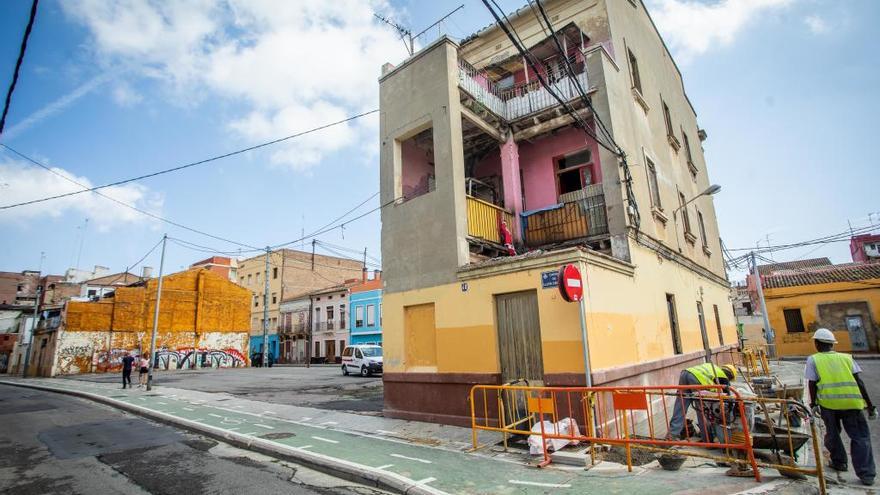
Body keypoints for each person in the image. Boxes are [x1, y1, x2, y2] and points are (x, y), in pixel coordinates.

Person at [806, 328, 876, 486]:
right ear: (832, 344)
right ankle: (867, 474)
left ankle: (839, 462)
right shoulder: (847, 358)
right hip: (852, 403)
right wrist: (870, 405)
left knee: (833, 435)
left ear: (816, 343)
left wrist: (814, 404)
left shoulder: (813, 360)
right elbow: (859, 382)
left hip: (828, 404)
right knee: (860, 438)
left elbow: (812, 383)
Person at [667, 363, 738, 441]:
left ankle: (672, 436)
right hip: (696, 380)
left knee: (680, 408)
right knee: (703, 411)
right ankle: (707, 440)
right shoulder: (723, 376)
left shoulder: (712, 367)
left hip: (685, 373)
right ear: (730, 376)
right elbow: (727, 395)